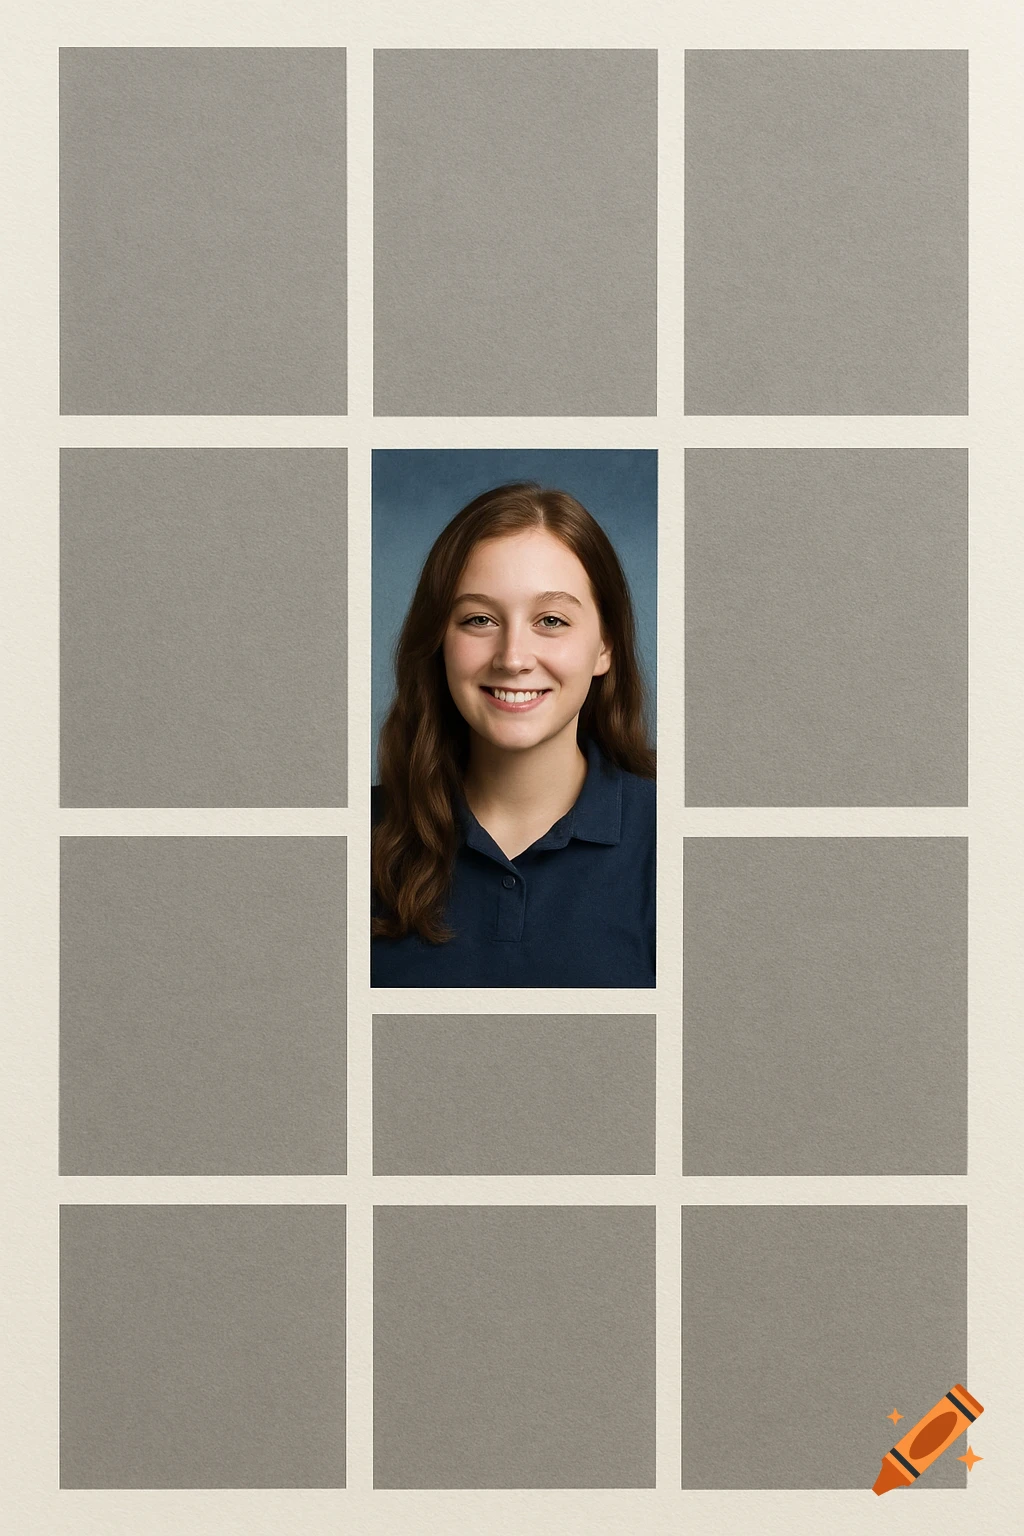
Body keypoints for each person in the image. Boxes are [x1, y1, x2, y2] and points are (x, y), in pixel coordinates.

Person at [371, 482, 655, 987]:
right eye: (479, 619)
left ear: (605, 646)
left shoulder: (679, 842)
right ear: (438, 640)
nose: (513, 657)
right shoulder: (346, 839)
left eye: (551, 620)